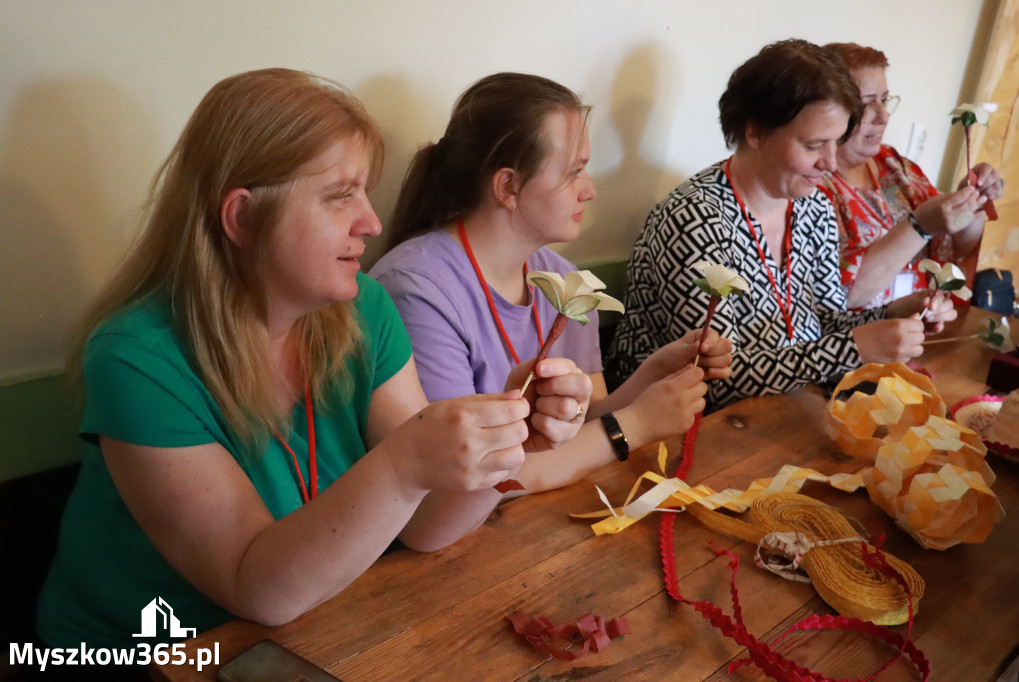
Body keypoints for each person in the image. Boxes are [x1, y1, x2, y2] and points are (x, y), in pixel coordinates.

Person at [37, 68, 592, 655]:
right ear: (244, 218)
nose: (372, 223)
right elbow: (256, 589)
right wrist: (405, 464)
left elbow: (425, 527)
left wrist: (509, 443)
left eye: (365, 192)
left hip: (318, 627)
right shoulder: (136, 361)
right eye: (340, 197)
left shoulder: (363, 310)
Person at [370, 72, 731, 493]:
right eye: (574, 172)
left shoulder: (564, 279)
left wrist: (652, 376)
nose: (590, 190)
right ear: (507, 186)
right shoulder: (415, 291)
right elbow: (461, 478)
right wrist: (634, 425)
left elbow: (581, 421)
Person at [608, 39, 956, 413]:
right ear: (755, 131)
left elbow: (821, 321)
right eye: (813, 145)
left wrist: (890, 315)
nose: (830, 162)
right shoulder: (694, 219)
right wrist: (853, 347)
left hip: (778, 412)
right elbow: (710, 378)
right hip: (679, 426)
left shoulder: (812, 208)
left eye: (836, 142)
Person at [818, 42, 1005, 310]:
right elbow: (838, 295)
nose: (882, 116)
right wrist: (918, 227)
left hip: (918, 334)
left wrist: (972, 199)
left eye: (885, 100)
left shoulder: (895, 166)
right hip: (856, 344)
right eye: (867, 103)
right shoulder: (810, 183)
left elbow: (954, 248)